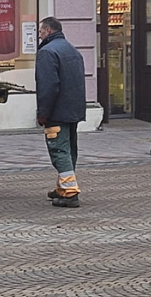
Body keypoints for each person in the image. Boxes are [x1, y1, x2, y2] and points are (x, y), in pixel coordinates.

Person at [35, 17, 86, 208]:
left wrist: (43, 113)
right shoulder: (72, 50)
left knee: (58, 149)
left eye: (40, 31)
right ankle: (62, 188)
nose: (39, 35)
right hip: (73, 110)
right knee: (69, 148)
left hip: (57, 111)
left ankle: (70, 193)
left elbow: (48, 86)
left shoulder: (47, 52)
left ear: (48, 30)